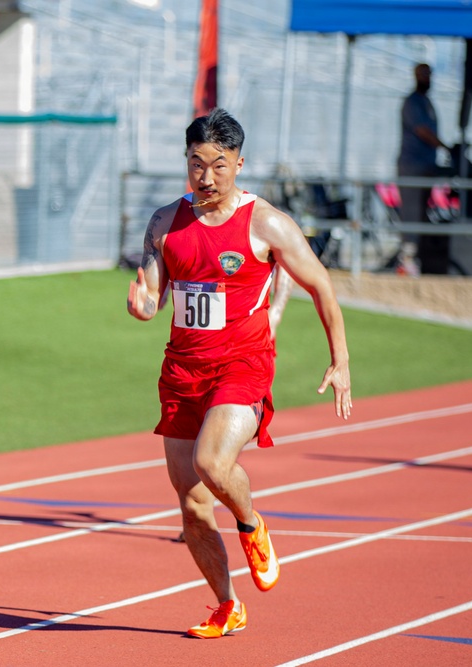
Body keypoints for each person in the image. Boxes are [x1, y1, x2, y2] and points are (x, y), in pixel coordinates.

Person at [126, 108, 352, 639]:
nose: (206, 177)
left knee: (211, 460)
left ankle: (252, 523)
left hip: (242, 364)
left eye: (218, 165)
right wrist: (141, 306)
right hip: (183, 369)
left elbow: (320, 284)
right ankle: (228, 605)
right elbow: (154, 297)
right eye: (196, 163)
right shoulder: (164, 222)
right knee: (191, 503)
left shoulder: (266, 222)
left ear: (239, 164)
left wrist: (339, 358)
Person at [397, 63, 451, 273]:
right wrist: (444, 146)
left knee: (422, 214)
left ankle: (416, 258)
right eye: (422, 74)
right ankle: (407, 259)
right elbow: (422, 131)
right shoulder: (412, 103)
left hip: (426, 165)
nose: (426, 78)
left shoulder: (426, 102)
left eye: (428, 74)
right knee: (411, 212)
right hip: (412, 166)